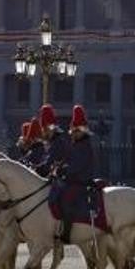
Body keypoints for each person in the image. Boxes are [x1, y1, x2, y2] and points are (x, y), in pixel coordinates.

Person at [52, 104, 97, 244]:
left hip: (81, 180)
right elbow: (68, 159)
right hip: (73, 179)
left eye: (77, 131)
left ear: (83, 131)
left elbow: (78, 165)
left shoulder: (85, 145)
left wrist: (65, 170)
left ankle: (67, 232)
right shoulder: (75, 144)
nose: (74, 133)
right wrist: (58, 167)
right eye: (73, 131)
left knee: (67, 198)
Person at [36, 103, 69, 179]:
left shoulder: (58, 143)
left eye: (45, 130)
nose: (43, 132)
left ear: (51, 129)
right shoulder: (51, 143)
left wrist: (37, 170)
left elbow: (49, 162)